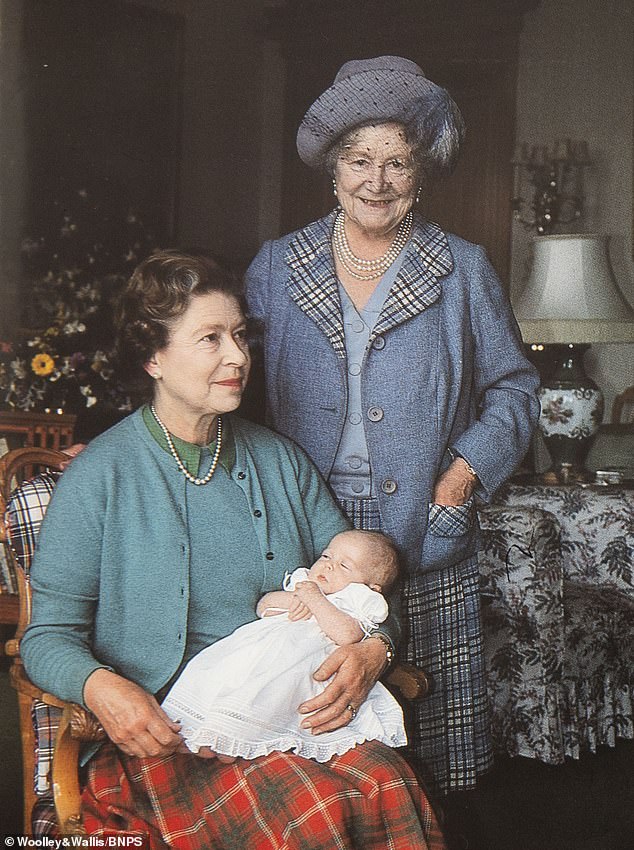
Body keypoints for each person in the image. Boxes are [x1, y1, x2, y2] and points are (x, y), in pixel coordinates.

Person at [21, 249, 446, 850]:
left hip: (290, 723)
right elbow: (46, 635)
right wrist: (100, 686)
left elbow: (373, 588)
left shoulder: (280, 462)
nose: (238, 357)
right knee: (313, 809)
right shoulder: (100, 477)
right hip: (171, 736)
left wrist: (375, 650)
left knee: (387, 782)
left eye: (241, 336)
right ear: (153, 357)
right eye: (210, 339)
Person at [245, 56, 541, 798]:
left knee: (428, 741)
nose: (376, 182)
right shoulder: (277, 268)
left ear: (422, 172)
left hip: (425, 525)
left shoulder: (464, 269)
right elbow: (232, 392)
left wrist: (461, 474)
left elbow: (514, 386)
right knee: (312, 724)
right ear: (332, 169)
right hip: (303, 525)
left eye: (397, 163)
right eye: (359, 160)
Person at [162, 528, 407, 760]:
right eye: (326, 556)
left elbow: (347, 635)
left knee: (268, 692)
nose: (329, 565)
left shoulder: (357, 599)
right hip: (257, 651)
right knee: (218, 673)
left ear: (371, 587)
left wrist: (314, 599)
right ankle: (199, 728)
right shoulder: (303, 583)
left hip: (300, 665)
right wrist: (294, 598)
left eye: (344, 566)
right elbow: (264, 606)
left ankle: (238, 739)